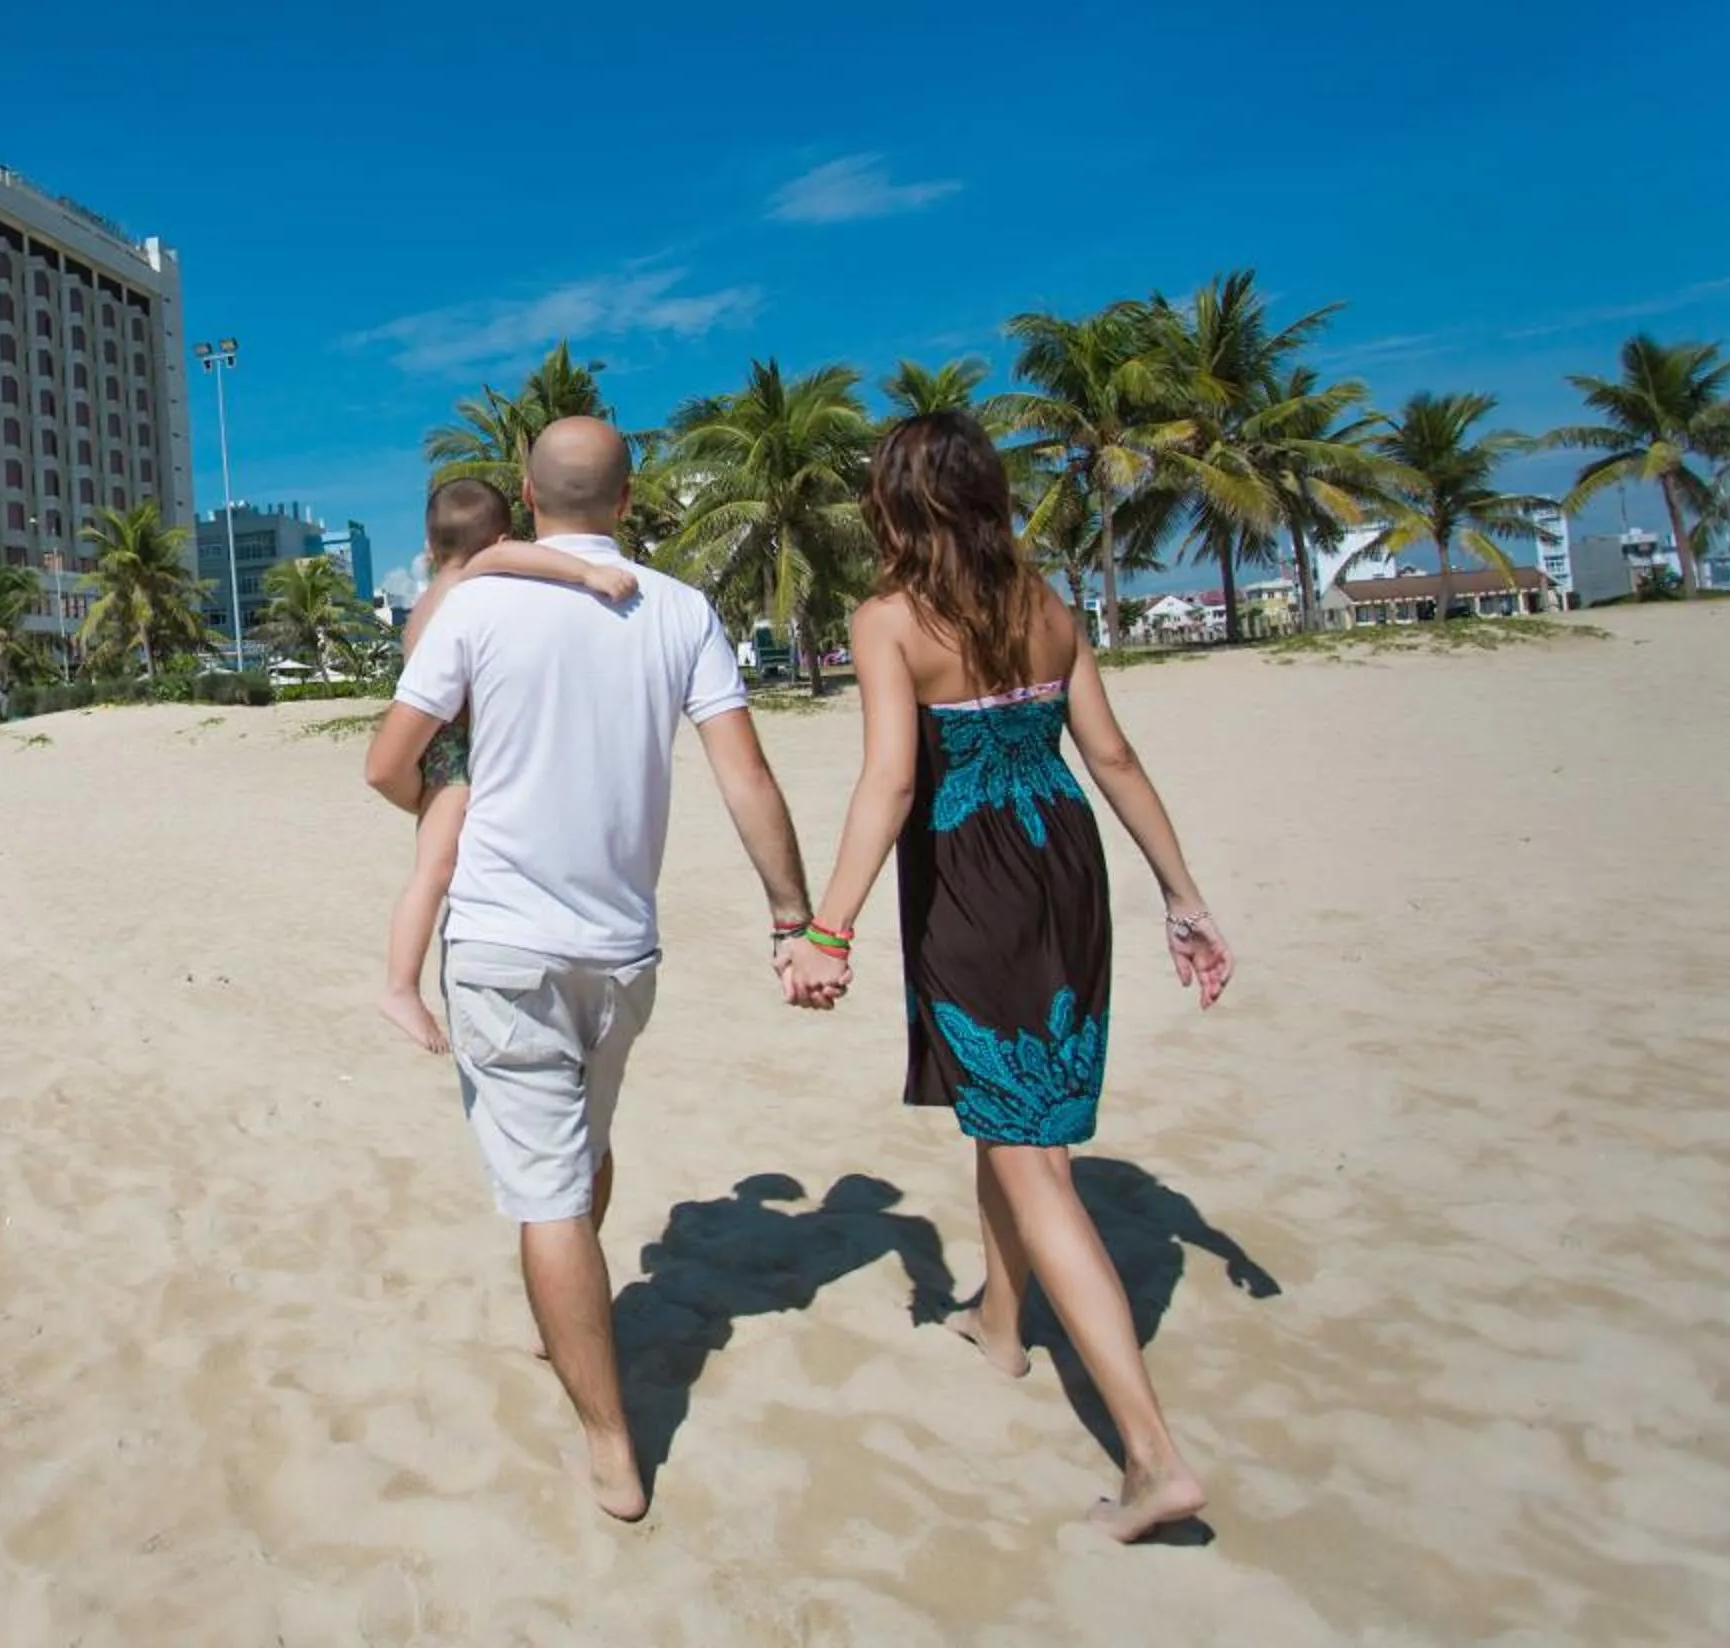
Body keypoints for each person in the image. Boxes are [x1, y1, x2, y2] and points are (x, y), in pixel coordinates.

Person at [365, 418, 842, 1522]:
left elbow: (389, 760)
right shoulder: (679, 608)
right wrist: (793, 917)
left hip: (501, 939)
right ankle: (584, 1326)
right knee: (583, 1148)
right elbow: (747, 774)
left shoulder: (478, 600)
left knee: (545, 1191)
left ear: (528, 495)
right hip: (624, 946)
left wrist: (447, 812)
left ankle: (609, 1437)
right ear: (630, 501)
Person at [792, 410, 1236, 1543]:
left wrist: (827, 931)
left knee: (1035, 1152)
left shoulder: (891, 619)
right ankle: (999, 1317)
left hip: (970, 881)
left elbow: (891, 783)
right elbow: (1116, 756)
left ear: (894, 503)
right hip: (1062, 862)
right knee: (1015, 1114)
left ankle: (1151, 1455)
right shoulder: (1046, 603)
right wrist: (1184, 899)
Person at [378, 477, 640, 1054]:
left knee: (435, 867)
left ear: (428, 541)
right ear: (498, 539)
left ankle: (401, 984)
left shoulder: (432, 591)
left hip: (441, 742)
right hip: (452, 749)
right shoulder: (473, 578)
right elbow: (513, 555)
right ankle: (399, 986)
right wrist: (587, 573)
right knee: (434, 870)